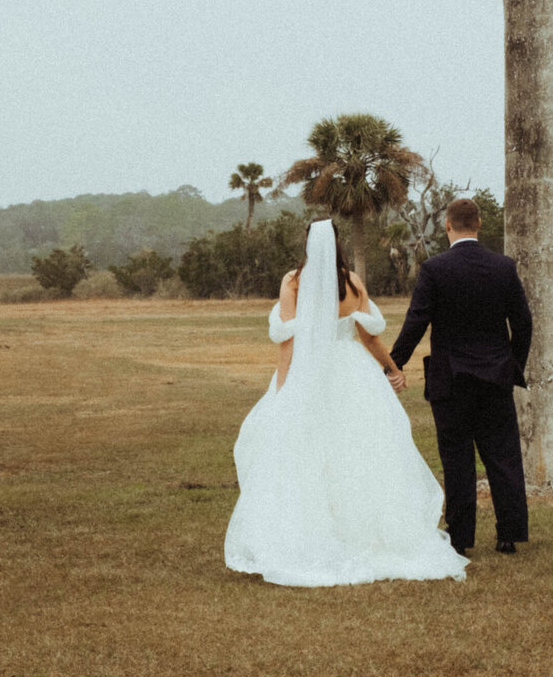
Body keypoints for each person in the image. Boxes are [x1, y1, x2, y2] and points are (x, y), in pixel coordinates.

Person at [224, 218, 468, 587]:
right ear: (337, 244)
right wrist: (390, 368)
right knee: (358, 450)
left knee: (309, 452)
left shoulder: (294, 281)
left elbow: (287, 341)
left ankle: (317, 531)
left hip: (311, 371)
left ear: (308, 244)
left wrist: (283, 388)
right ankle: (362, 532)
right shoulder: (352, 282)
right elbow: (369, 338)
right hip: (352, 371)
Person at [389, 197, 533, 557]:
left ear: (448, 226)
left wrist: (393, 363)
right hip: (495, 376)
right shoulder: (503, 267)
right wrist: (512, 364)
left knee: (457, 460)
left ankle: (460, 537)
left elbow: (416, 322)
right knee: (503, 456)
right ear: (479, 223)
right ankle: (509, 534)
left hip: (451, 379)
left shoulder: (435, 269)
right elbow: (524, 323)